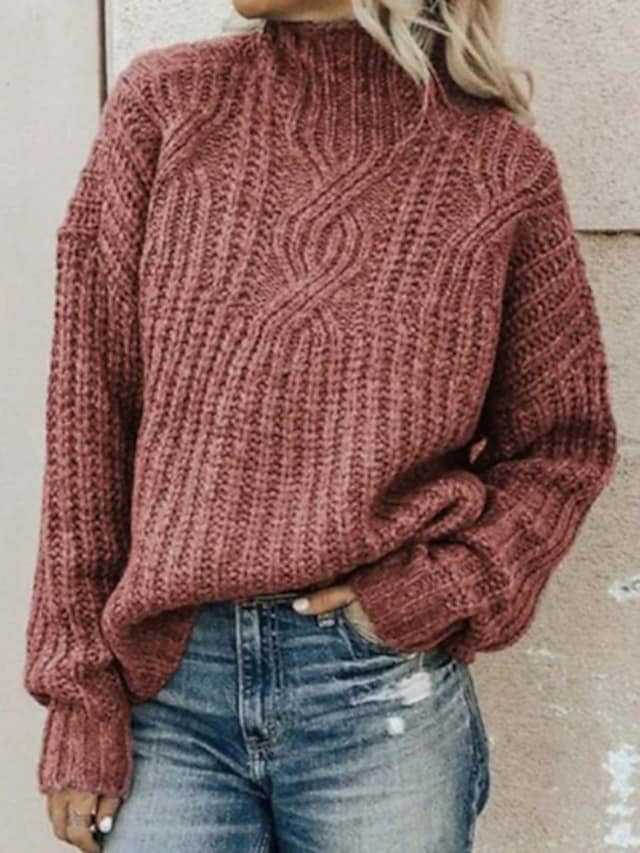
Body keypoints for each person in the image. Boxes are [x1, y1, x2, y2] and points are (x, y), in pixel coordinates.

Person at [23, 0, 619, 850]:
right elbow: (89, 416)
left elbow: (563, 445)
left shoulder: (496, 166)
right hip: (171, 689)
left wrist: (444, 589)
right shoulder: (166, 107)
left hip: (376, 696)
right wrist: (79, 696)